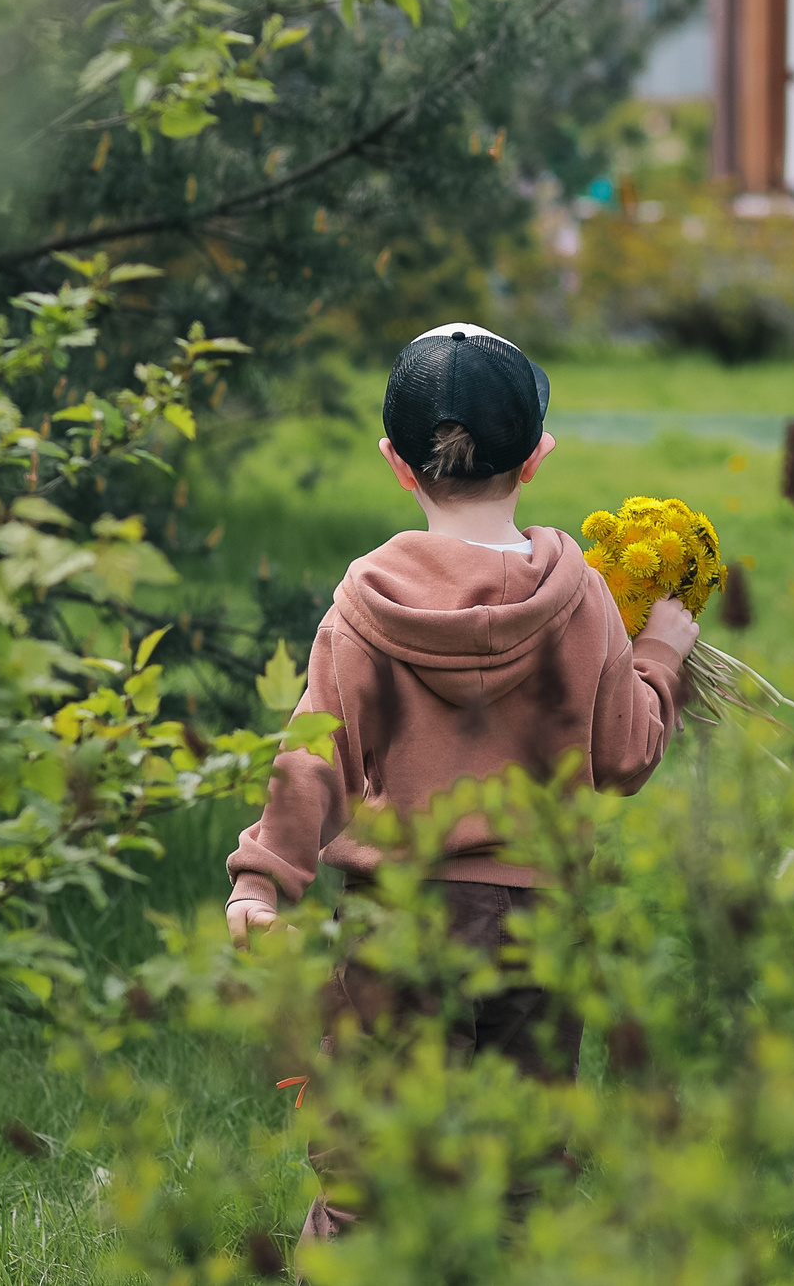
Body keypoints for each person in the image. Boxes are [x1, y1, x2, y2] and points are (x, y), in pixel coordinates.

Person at [225, 322, 699, 1094]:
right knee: (522, 1136)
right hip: (543, 917)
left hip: (401, 912)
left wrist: (262, 879)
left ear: (396, 464)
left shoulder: (365, 611)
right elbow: (623, 757)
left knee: (384, 1133)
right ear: (537, 455)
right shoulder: (583, 599)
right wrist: (661, 657)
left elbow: (315, 756)